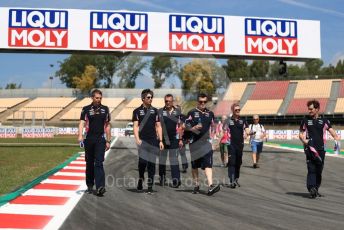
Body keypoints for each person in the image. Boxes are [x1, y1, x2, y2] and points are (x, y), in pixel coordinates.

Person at [299, 99, 340, 198]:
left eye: (311, 109)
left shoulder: (325, 121)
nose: (309, 111)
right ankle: (311, 188)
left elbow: (333, 133)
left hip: (321, 150)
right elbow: (300, 134)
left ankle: (316, 189)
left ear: (317, 109)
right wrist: (305, 142)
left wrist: (337, 143)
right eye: (308, 109)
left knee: (319, 170)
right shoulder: (305, 120)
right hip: (310, 149)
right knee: (311, 169)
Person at [185, 93, 220, 196]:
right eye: (201, 102)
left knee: (208, 164)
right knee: (195, 165)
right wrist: (193, 128)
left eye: (204, 102)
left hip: (206, 143)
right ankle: (196, 185)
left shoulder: (210, 114)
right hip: (194, 143)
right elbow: (185, 126)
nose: (202, 103)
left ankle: (210, 186)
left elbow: (214, 127)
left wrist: (215, 140)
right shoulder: (191, 113)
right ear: (197, 102)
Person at [78, 89, 111, 196]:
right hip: (89, 139)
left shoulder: (105, 109)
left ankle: (100, 186)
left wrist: (108, 140)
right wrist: (80, 136)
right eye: (97, 98)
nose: (99, 100)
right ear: (92, 98)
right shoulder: (86, 109)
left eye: (100, 98)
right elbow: (82, 123)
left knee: (99, 162)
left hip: (100, 139)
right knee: (89, 163)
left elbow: (107, 125)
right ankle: (90, 185)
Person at [133, 89, 164, 194]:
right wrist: (137, 139)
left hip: (153, 141)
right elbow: (135, 126)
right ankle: (141, 179)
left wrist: (160, 141)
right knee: (142, 163)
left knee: (152, 163)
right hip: (142, 141)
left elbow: (159, 126)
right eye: (148, 97)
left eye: (151, 97)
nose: (150, 99)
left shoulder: (155, 111)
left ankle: (150, 186)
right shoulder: (137, 111)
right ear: (143, 98)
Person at [158, 94, 183, 188]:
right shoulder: (160, 111)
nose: (167, 103)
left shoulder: (178, 111)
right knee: (162, 160)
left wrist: (180, 139)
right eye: (166, 101)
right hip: (163, 139)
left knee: (174, 160)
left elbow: (180, 126)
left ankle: (176, 180)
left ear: (172, 102)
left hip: (174, 139)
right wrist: (160, 139)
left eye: (169, 101)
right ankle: (162, 178)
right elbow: (158, 125)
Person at [224, 103, 250, 189]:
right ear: (232, 110)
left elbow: (247, 130)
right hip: (231, 144)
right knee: (232, 162)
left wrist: (248, 133)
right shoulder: (228, 120)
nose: (238, 111)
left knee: (238, 163)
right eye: (236, 110)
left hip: (240, 145)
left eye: (239, 110)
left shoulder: (243, 120)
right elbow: (223, 131)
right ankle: (231, 180)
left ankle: (236, 178)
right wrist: (218, 142)